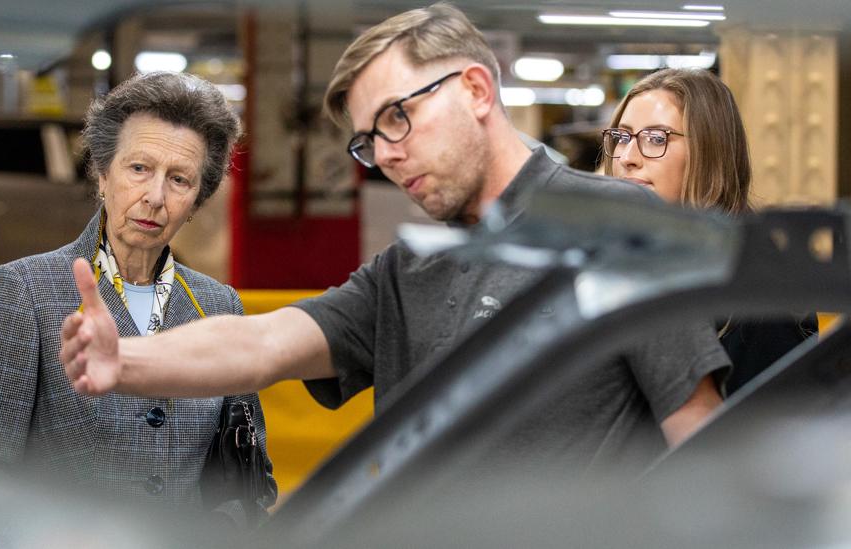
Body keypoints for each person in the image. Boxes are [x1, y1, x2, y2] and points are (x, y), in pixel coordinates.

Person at [61, 4, 729, 473]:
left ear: (475, 88)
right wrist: (130, 361)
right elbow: (262, 342)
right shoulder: (409, 270)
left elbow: (699, 441)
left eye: (398, 118)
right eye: (368, 141)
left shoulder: (623, 227)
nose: (387, 154)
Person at [0, 72, 276, 540]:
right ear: (103, 175)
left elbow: (248, 480)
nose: (155, 197)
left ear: (197, 201)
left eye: (179, 179)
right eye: (138, 168)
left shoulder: (217, 305)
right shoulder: (24, 291)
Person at [602, 67, 817, 394]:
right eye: (622, 137)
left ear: (708, 152)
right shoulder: (618, 259)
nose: (627, 158)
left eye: (656, 138)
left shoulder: (758, 284)